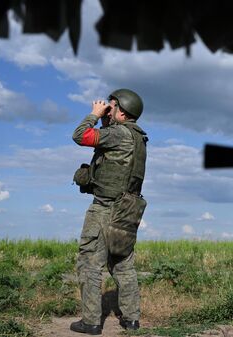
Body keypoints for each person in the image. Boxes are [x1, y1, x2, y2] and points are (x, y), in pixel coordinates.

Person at [70, 89, 148, 335]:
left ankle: (91, 322)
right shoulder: (137, 138)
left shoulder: (117, 133)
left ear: (122, 111)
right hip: (127, 209)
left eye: (110, 105)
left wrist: (93, 115)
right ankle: (131, 319)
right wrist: (106, 118)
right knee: (122, 264)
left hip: (106, 208)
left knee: (90, 264)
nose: (105, 107)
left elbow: (80, 136)